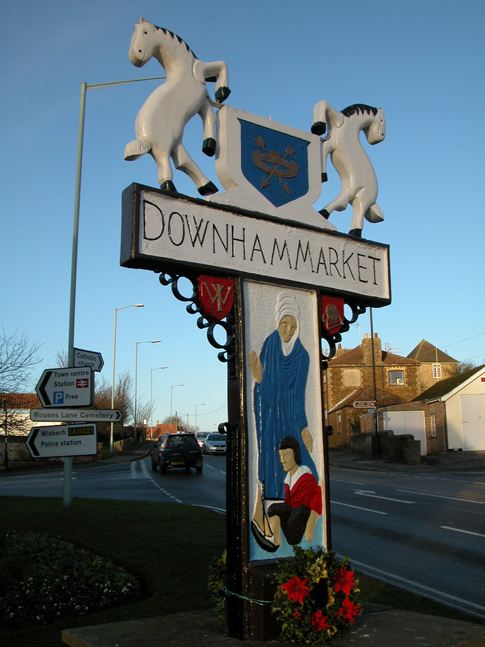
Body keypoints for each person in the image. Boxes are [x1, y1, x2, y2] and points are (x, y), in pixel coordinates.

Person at [249, 292, 317, 502]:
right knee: (273, 462)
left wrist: (304, 427)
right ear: (278, 322)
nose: (288, 331)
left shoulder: (303, 356)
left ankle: (295, 505)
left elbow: (298, 394)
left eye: (293, 327)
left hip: (291, 420)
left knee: (301, 466)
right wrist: (260, 380)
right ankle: (272, 508)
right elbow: (265, 396)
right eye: (284, 325)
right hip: (270, 422)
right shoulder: (269, 344)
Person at [268, 436, 322, 546]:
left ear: (295, 454)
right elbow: (287, 504)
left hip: (301, 518)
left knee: (301, 510)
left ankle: (290, 535)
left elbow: (318, 496)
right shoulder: (288, 479)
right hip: (292, 514)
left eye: (286, 455)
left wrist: (311, 524)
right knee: (273, 509)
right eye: (281, 456)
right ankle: (277, 539)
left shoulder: (306, 477)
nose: (282, 460)